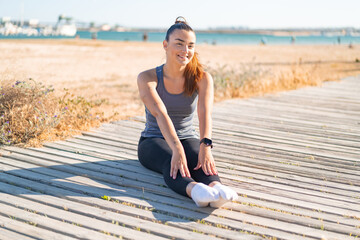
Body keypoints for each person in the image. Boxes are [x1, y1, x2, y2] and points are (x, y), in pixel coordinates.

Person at [137, 17, 238, 208]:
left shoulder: (202, 78)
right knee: (172, 160)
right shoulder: (147, 78)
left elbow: (205, 113)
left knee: (200, 161)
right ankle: (195, 191)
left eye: (190, 45)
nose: (186, 51)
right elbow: (160, 114)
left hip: (186, 136)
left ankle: (217, 188)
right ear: (165, 45)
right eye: (179, 44)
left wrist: (205, 146)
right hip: (153, 140)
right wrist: (176, 148)